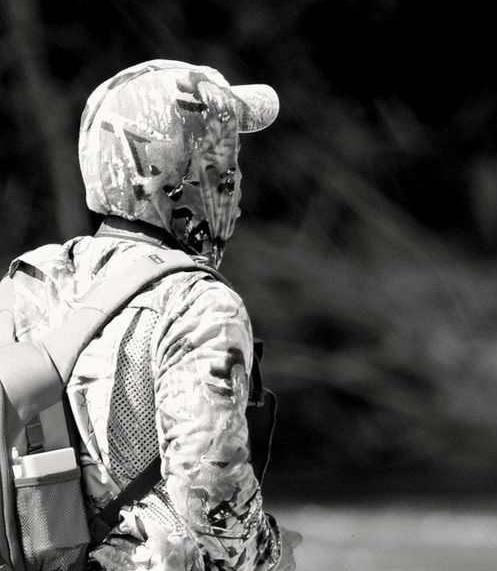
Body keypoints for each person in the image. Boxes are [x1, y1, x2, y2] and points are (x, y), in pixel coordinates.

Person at [4, 60, 298, 570]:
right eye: (227, 170)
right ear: (185, 182)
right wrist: (275, 551)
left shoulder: (28, 281)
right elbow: (215, 524)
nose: (239, 191)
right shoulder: (199, 305)